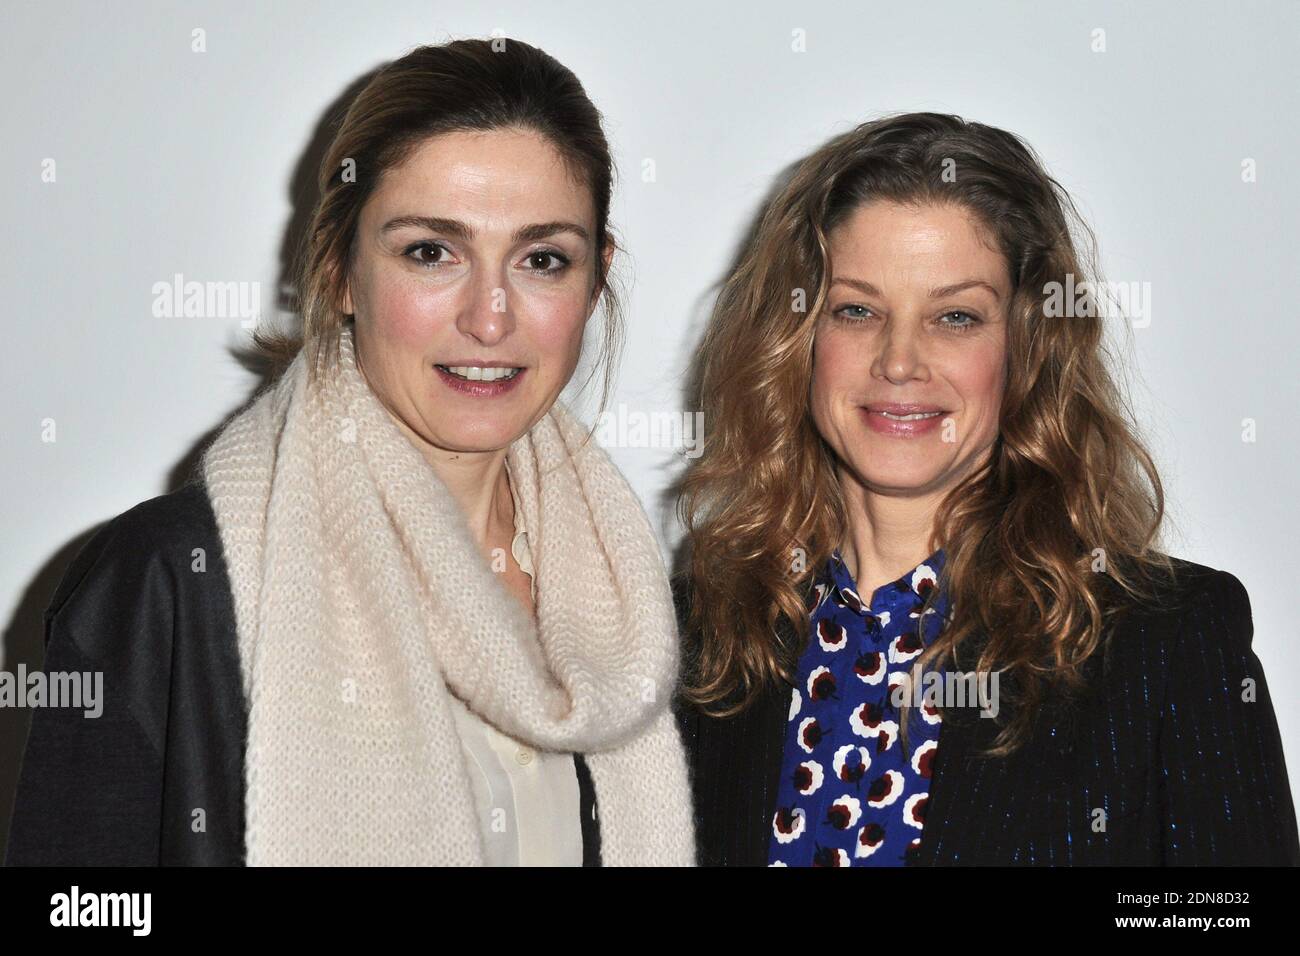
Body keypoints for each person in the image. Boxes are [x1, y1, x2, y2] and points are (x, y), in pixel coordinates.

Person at [6, 38, 693, 867]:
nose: (490, 315)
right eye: (430, 252)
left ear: (594, 278)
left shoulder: (633, 608)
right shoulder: (170, 579)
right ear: (337, 269)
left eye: (543, 259)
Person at [672, 111, 1299, 866]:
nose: (899, 361)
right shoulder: (700, 633)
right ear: (798, 338)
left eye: (956, 316)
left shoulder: (1165, 642)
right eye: (857, 310)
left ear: (1026, 347)